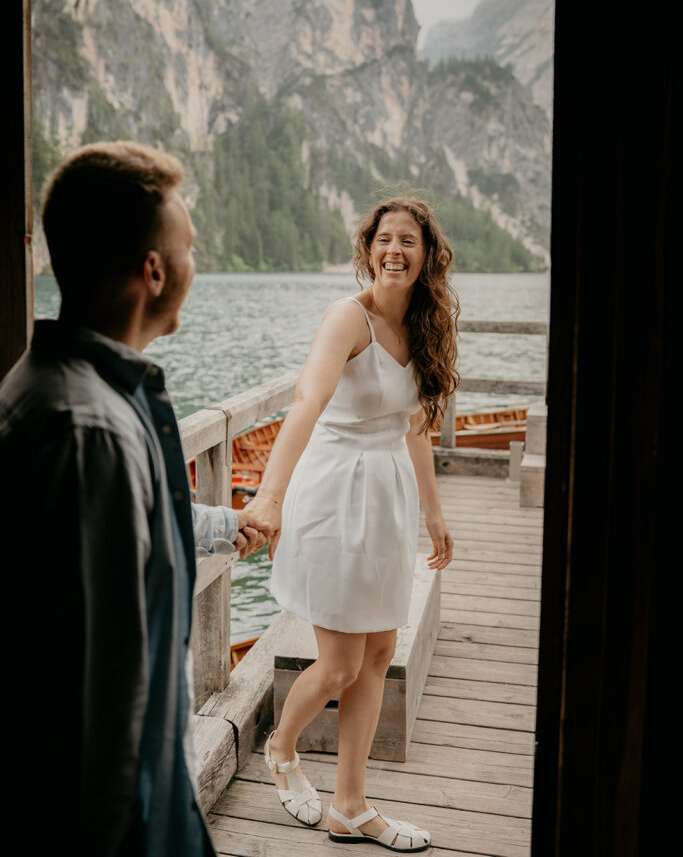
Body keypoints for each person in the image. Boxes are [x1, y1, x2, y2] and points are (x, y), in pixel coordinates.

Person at [0, 142, 266, 856]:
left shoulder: (61, 393)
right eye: (189, 248)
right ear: (154, 271)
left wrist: (221, 523)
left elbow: (125, 533)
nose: (193, 263)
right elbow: (102, 705)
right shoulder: (89, 433)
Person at [247, 197, 458, 852]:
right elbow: (307, 401)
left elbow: (415, 426)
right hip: (334, 494)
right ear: (368, 249)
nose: (395, 250)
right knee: (339, 665)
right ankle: (281, 747)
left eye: (408, 241)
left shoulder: (425, 323)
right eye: (384, 239)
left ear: (427, 255)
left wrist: (433, 512)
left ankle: (349, 806)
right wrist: (270, 497)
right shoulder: (348, 317)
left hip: (388, 499)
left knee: (379, 655)